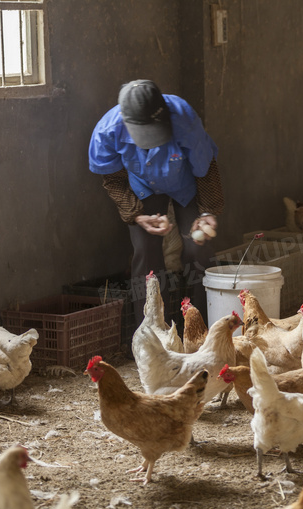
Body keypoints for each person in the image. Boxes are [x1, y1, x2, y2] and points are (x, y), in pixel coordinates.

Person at [88, 79, 223, 329]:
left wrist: (207, 211)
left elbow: (205, 166)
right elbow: (114, 181)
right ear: (126, 122)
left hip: (185, 182)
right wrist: (137, 215)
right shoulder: (107, 132)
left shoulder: (183, 118)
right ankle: (151, 332)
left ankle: (205, 328)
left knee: (198, 248)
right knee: (146, 253)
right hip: (143, 186)